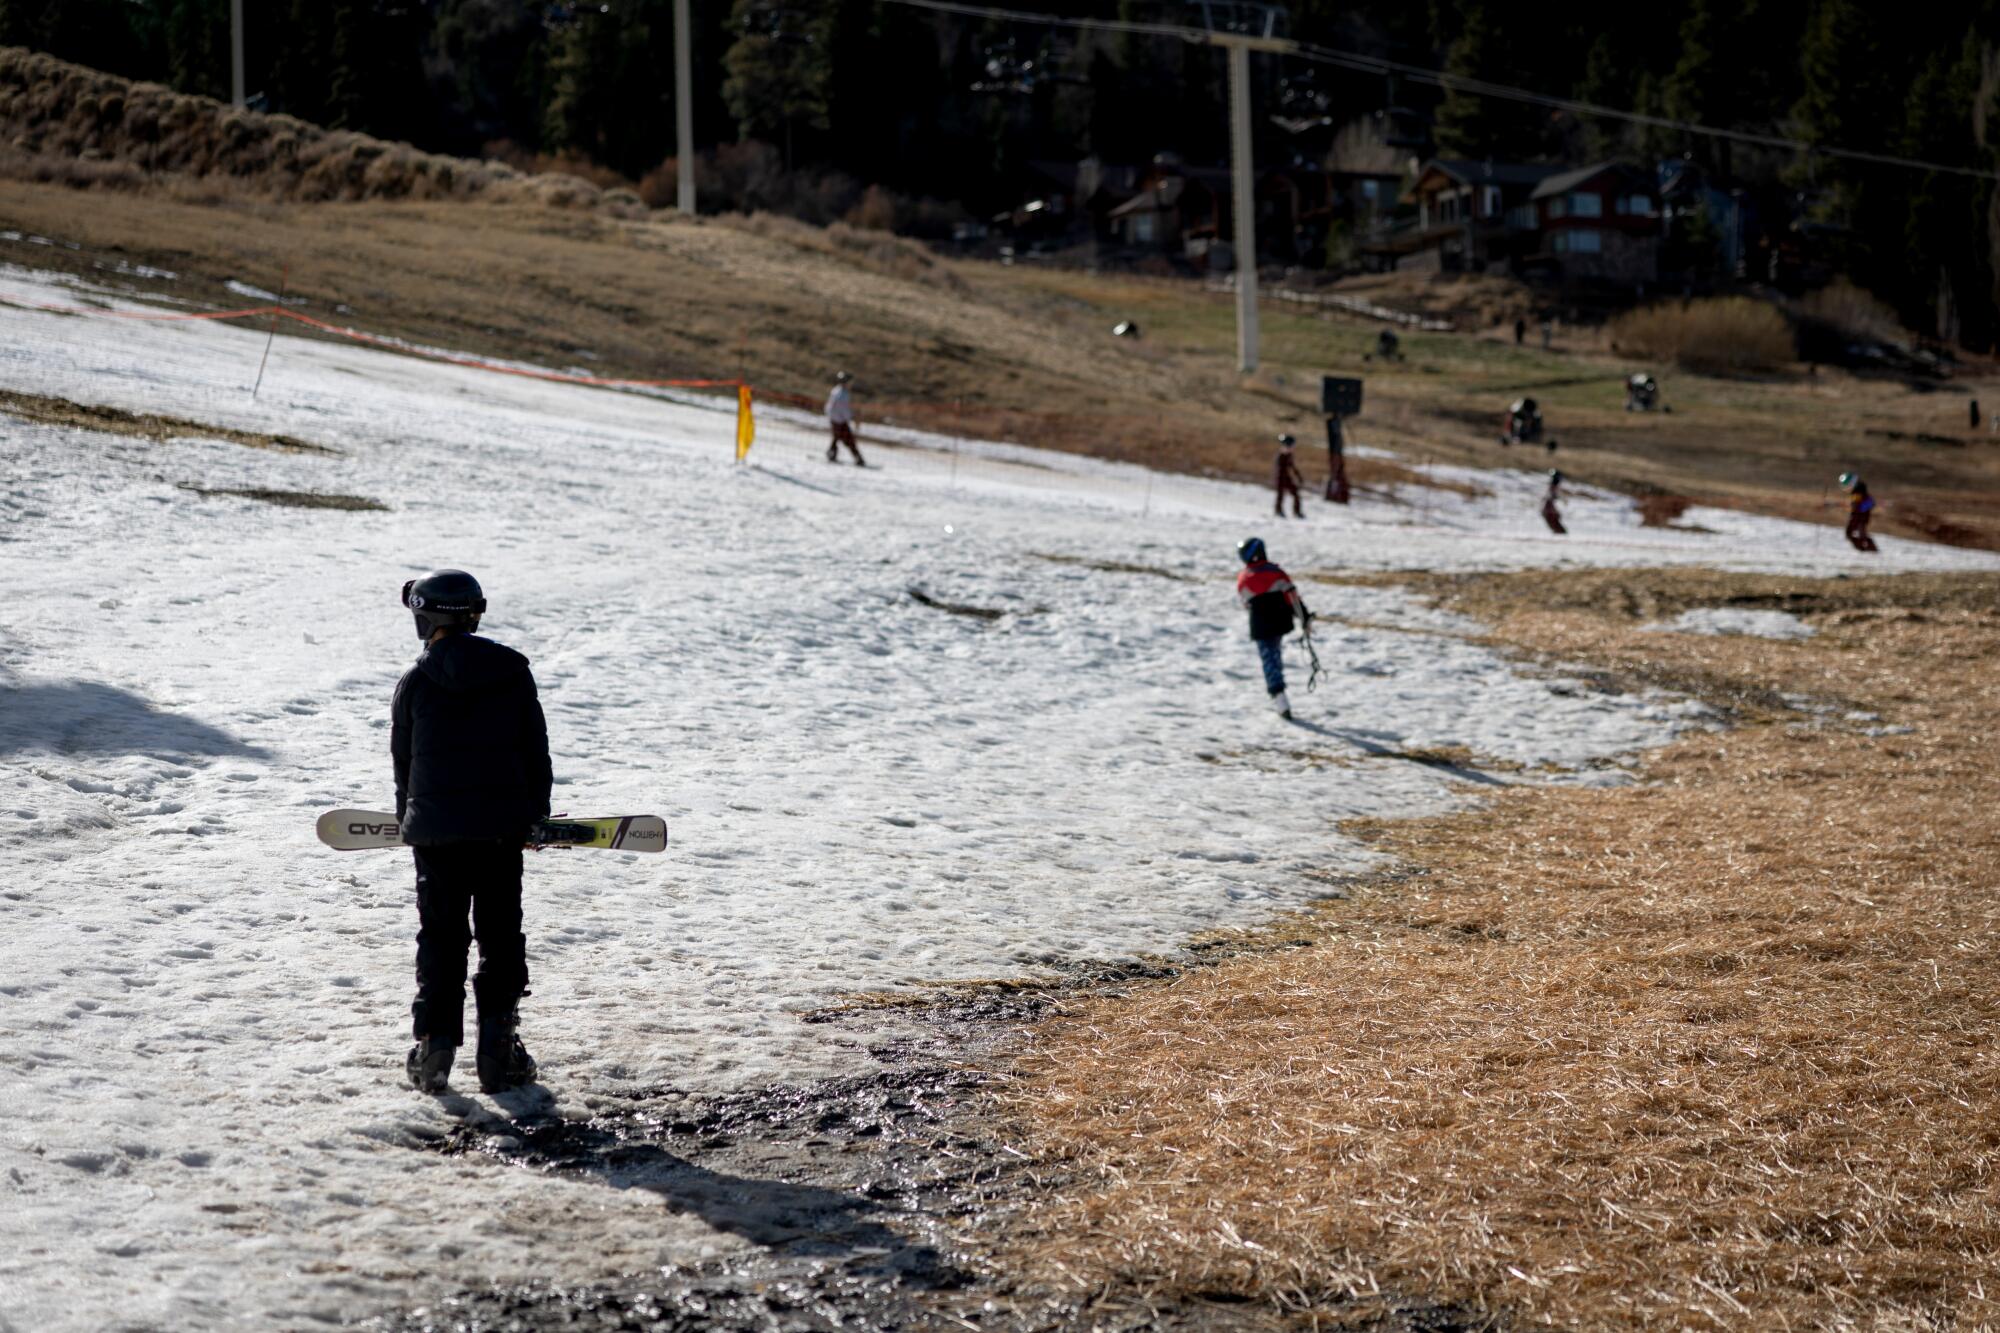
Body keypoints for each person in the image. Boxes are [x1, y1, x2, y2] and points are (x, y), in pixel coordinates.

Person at [393, 569, 553, 1095]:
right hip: (502, 830)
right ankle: (498, 1050)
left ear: (424, 617)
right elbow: (535, 753)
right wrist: (535, 817)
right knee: (501, 935)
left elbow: (404, 763)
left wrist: (410, 821)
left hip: (437, 835)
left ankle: (435, 1046)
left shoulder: (416, 680)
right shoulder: (512, 671)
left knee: (441, 936)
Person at [1235, 537, 1309, 719]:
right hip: (1279, 623)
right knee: (1274, 655)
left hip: (1260, 626)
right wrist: (1304, 618)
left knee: (1268, 659)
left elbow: (1245, 602)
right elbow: (1292, 598)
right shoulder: (1277, 573)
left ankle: (1278, 696)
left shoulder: (1244, 578)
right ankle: (1279, 694)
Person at [825, 371, 866, 466]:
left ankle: (832, 453)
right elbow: (843, 409)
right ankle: (858, 458)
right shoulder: (843, 395)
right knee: (849, 439)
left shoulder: (835, 391)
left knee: (837, 437)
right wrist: (851, 416)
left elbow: (829, 406)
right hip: (840, 420)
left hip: (834, 419)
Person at [1839, 472, 1878, 552]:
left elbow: (1858, 504)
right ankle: (1864, 549)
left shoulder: (1859, 491)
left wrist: (1856, 507)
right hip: (1857, 515)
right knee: (1852, 533)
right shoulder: (1857, 491)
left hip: (1860, 516)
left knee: (1860, 534)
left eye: (1847, 485)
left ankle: (1870, 550)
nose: (1847, 487)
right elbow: (1855, 504)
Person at [1273, 433, 1304, 518]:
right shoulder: (1281, 455)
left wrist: (1299, 476)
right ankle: (1278, 511)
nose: (1293, 447)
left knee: (1296, 494)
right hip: (1280, 478)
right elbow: (1279, 468)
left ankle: (1297, 512)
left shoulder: (1289, 455)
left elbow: (1292, 466)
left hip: (1287, 478)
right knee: (1280, 496)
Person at [1323, 414, 1350, 504]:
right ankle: (1334, 423)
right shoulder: (1339, 480)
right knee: (1336, 442)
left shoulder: (1338, 480)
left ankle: (1333, 423)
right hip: (1336, 459)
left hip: (1335, 459)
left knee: (1335, 443)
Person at [1542, 469, 1567, 534]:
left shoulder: (1552, 487)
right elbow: (1550, 496)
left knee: (1557, 527)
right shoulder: (1553, 487)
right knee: (1559, 530)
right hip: (1549, 510)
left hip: (1548, 509)